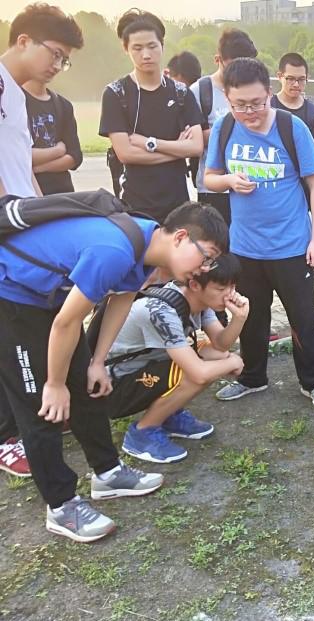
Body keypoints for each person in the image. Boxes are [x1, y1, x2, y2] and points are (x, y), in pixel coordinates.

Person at [0, 197, 228, 542]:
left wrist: (97, 362)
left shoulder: (145, 241)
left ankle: (107, 473)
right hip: (12, 297)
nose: (205, 269)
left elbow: (121, 298)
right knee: (41, 407)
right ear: (181, 237)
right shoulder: (115, 250)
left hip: (49, 298)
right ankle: (61, 505)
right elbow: (66, 324)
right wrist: (55, 383)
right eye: (206, 257)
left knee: (88, 387)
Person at [204, 58, 314, 409]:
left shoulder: (292, 128)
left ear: (269, 93)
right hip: (245, 247)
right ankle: (252, 377)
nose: (249, 112)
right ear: (228, 99)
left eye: (257, 103)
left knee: (302, 318)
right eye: (240, 105)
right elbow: (209, 178)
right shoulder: (225, 126)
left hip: (292, 246)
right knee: (250, 316)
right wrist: (229, 180)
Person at [0, 3, 84, 478]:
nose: (57, 65)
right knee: (9, 335)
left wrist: (38, 216)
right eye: (55, 53)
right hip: (5, 228)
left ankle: (35, 416)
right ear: (23, 40)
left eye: (65, 60)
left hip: (19, 224)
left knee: (28, 326)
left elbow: (20, 167)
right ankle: (8, 437)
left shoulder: (15, 95)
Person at [107, 254, 247, 463]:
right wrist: (233, 362)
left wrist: (239, 318)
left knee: (218, 356)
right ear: (194, 285)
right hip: (112, 387)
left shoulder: (199, 300)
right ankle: (143, 433)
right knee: (199, 373)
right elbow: (199, 373)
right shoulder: (161, 312)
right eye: (221, 288)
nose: (230, 295)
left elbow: (220, 344)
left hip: (146, 368)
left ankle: (168, 415)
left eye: (232, 286)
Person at [99, 9, 203, 222]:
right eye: (137, 48)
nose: (146, 55)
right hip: (135, 205)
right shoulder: (116, 93)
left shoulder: (181, 93)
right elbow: (126, 154)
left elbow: (195, 146)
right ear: (126, 48)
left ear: (162, 45)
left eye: (152, 46)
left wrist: (150, 143)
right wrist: (177, 150)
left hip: (178, 205)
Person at [192, 28, 258, 225]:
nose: (239, 72)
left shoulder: (255, 88)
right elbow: (194, 139)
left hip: (250, 184)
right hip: (213, 188)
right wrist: (234, 129)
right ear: (218, 59)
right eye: (233, 66)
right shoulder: (200, 91)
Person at [24, 76, 82, 196]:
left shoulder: (63, 105)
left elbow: (75, 157)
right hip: (25, 194)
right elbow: (17, 156)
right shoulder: (13, 102)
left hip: (62, 193)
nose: (55, 67)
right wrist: (57, 151)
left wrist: (37, 168)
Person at [271, 52, 314, 138]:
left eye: (301, 79)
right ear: (280, 76)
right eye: (290, 79)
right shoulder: (268, 107)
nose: (296, 84)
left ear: (307, 78)